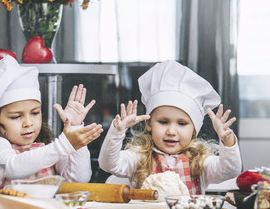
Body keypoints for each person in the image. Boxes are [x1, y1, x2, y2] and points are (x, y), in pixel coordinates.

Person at [98, 60, 242, 194]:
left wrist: (227, 141)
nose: (171, 131)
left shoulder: (199, 162)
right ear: (149, 124)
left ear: (194, 130)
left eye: (182, 123)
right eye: (163, 122)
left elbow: (229, 171)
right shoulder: (139, 157)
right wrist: (117, 131)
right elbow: (108, 164)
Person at [0, 55, 103, 182]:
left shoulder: (49, 146)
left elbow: (79, 179)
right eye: (16, 117)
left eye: (35, 113)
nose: (28, 123)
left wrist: (74, 127)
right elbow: (12, 168)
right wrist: (64, 145)